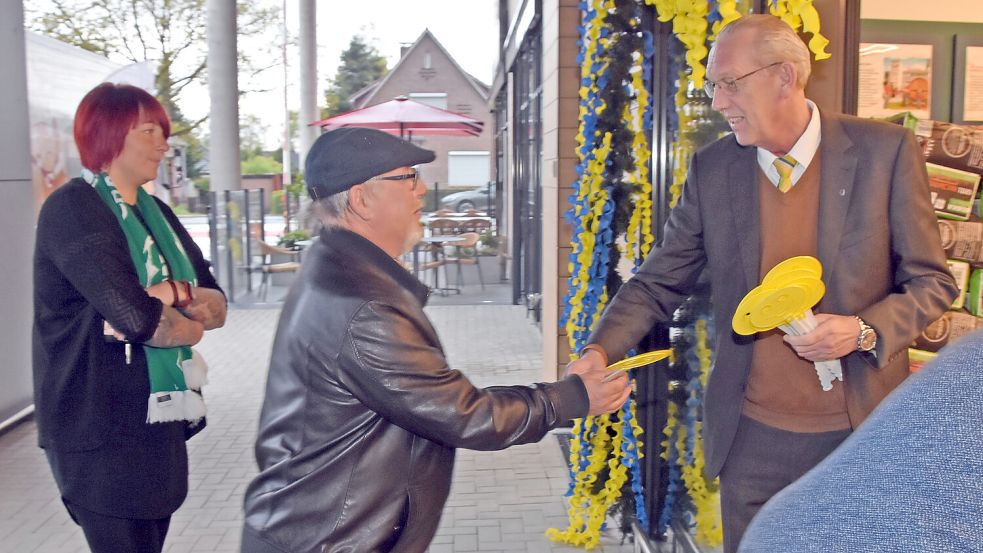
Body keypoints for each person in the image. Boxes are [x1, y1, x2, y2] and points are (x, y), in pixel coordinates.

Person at [565, 14, 957, 552]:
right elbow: (658, 280)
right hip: (751, 440)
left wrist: (863, 329)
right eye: (712, 86)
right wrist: (599, 349)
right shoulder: (713, 168)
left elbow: (932, 283)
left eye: (730, 82)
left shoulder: (885, 153)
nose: (718, 101)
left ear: (785, 77)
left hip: (858, 431)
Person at [240, 127, 631, 553]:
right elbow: (464, 415)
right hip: (329, 540)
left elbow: (437, 398)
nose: (421, 190)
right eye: (407, 177)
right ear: (361, 198)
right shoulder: (364, 305)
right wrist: (571, 398)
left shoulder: (336, 268)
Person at [33, 82, 227, 553]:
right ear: (109, 133)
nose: (164, 143)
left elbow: (217, 306)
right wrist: (181, 301)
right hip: (96, 426)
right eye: (149, 130)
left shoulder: (157, 212)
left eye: (163, 131)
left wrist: (171, 299)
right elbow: (140, 319)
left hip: (156, 420)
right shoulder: (74, 208)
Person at [739, 329, 983, 552]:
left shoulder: (969, 353)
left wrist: (864, 329)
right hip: (746, 424)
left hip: (846, 422)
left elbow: (935, 283)